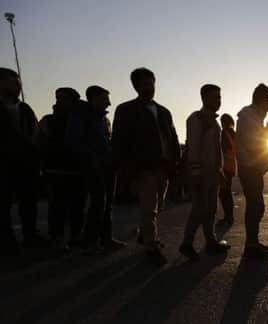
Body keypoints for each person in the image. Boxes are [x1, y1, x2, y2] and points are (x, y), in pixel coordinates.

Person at [112, 68, 180, 265]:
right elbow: (119, 140)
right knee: (149, 208)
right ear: (135, 86)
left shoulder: (164, 111)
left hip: (164, 167)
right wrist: (125, 168)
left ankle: (144, 233)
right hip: (143, 168)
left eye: (151, 83)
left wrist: (175, 162)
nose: (148, 88)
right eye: (144, 84)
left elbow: (173, 138)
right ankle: (151, 245)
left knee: (158, 205)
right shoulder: (126, 110)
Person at [65, 86, 125, 254]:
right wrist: (92, 158)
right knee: (98, 203)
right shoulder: (80, 116)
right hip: (92, 166)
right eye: (105, 99)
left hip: (107, 166)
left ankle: (106, 238)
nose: (109, 103)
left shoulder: (103, 119)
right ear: (94, 98)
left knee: (107, 204)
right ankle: (90, 241)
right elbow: (72, 141)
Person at [179, 84, 230, 259]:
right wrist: (195, 172)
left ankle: (211, 241)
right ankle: (187, 243)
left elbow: (217, 151)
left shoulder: (214, 122)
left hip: (213, 174)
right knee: (199, 209)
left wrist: (220, 171)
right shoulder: (197, 119)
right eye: (215, 97)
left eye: (219, 97)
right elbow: (193, 147)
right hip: (200, 174)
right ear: (204, 98)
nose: (218, 101)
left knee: (211, 209)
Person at [36, 87, 86, 251]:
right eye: (58, 98)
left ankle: (76, 236)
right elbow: (39, 143)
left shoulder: (82, 120)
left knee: (78, 207)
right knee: (57, 207)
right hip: (55, 171)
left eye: (64, 99)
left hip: (78, 170)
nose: (59, 101)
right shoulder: (47, 120)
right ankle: (57, 237)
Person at [0, 67, 43, 255]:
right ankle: (6, 241)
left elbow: (36, 133)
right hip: (3, 165)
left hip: (27, 165)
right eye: (14, 82)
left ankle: (31, 236)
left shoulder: (25, 108)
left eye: (19, 82)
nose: (19, 86)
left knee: (29, 202)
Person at [236, 84, 268, 257]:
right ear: (261, 101)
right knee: (255, 206)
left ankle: (253, 242)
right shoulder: (248, 117)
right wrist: (267, 132)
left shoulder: (254, 116)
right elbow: (254, 145)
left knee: (256, 206)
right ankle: (251, 245)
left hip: (254, 168)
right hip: (249, 168)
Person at [217, 113, 236, 227]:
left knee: (224, 194)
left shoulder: (223, 133)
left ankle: (228, 218)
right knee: (227, 193)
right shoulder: (234, 133)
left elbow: (222, 150)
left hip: (224, 167)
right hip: (231, 167)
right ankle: (229, 217)